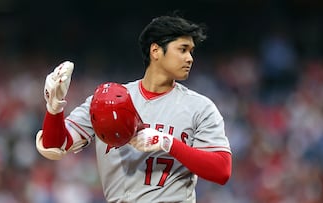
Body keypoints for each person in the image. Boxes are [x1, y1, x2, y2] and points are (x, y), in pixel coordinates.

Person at [35, 14, 232, 203]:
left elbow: (222, 170)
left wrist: (168, 142)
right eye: (182, 49)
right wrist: (54, 107)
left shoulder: (200, 107)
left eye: (191, 51)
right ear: (156, 51)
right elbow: (55, 145)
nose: (189, 58)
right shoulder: (109, 100)